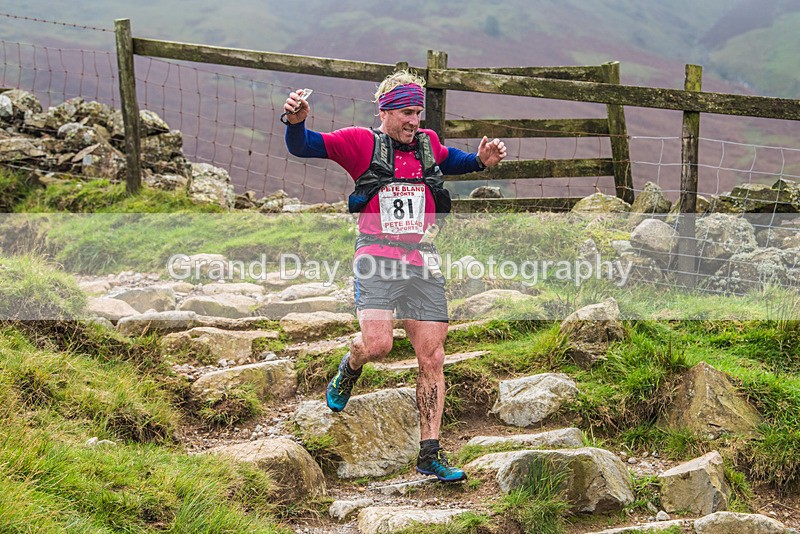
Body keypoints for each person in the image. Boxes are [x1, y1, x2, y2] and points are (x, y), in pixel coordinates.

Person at [282, 70, 506, 482]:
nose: (414, 121)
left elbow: (451, 159)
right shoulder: (359, 142)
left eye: (419, 112)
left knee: (433, 357)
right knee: (379, 345)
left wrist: (480, 161)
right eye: (406, 112)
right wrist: (296, 122)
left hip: (422, 260)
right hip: (376, 257)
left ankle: (430, 453)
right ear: (385, 112)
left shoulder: (427, 144)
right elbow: (305, 146)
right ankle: (352, 364)